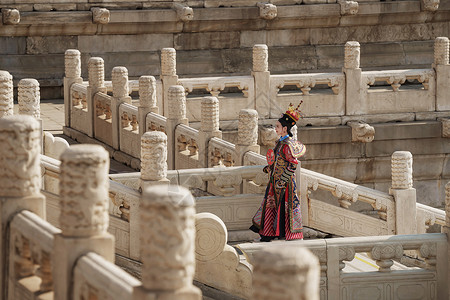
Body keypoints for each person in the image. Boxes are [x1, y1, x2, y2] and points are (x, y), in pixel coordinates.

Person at [250, 102, 306, 242]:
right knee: (270, 205)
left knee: (283, 207)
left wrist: (282, 180)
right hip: (275, 181)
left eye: (277, 126)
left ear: (285, 129)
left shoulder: (287, 145)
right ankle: (268, 233)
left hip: (285, 184)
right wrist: (270, 168)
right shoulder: (280, 143)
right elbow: (279, 161)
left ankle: (286, 234)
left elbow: (292, 165)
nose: (275, 128)